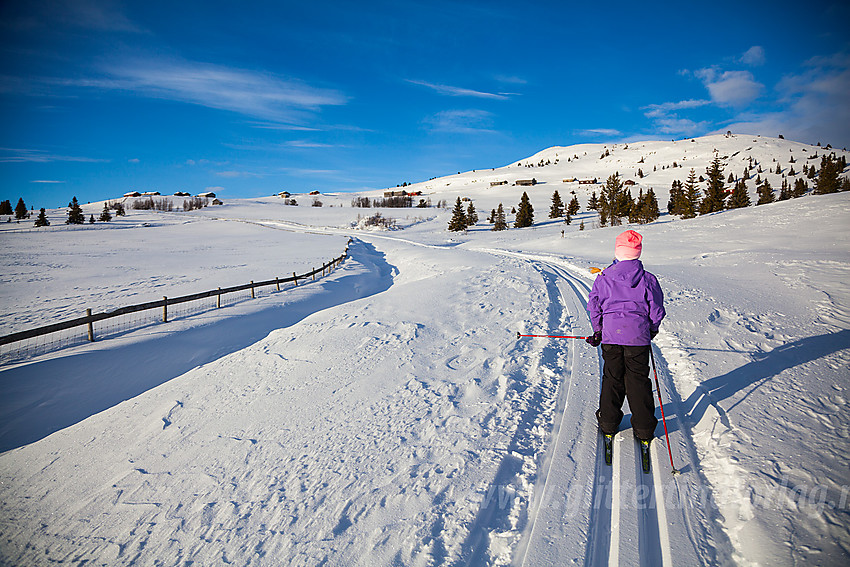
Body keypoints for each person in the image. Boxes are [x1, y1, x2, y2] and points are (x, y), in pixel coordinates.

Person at [586, 230, 665, 441]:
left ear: (617, 252)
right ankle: (644, 428)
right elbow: (656, 309)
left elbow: (594, 306)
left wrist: (598, 330)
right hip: (637, 338)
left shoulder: (603, 278)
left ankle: (609, 422)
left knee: (613, 378)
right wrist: (652, 328)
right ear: (637, 253)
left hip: (611, 336)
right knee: (638, 379)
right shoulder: (648, 279)